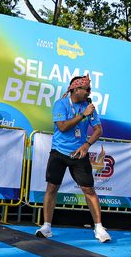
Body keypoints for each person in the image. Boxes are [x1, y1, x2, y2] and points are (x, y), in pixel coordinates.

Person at [35, 75, 111, 243]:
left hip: (79, 153)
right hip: (59, 152)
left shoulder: (89, 107)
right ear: (76, 89)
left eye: (90, 89)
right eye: (87, 89)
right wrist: (83, 115)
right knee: (52, 188)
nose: (89, 93)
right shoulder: (61, 104)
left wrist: (87, 145)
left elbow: (98, 130)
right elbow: (62, 127)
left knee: (89, 190)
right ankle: (46, 227)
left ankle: (99, 228)